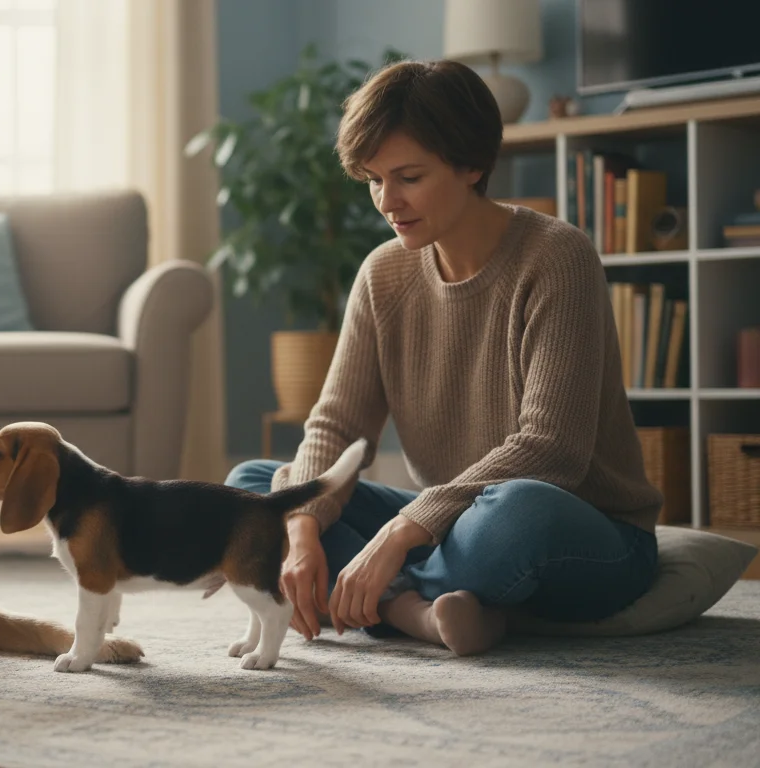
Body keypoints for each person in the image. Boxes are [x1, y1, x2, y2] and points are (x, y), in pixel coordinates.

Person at [225, 59, 663, 656]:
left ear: (472, 165)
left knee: (517, 513)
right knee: (253, 490)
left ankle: (388, 601)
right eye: (374, 180)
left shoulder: (558, 258)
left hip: (580, 529)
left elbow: (551, 449)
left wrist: (397, 537)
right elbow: (338, 427)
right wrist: (301, 529)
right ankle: (424, 612)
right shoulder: (383, 274)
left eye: (407, 176)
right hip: (449, 524)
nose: (387, 201)